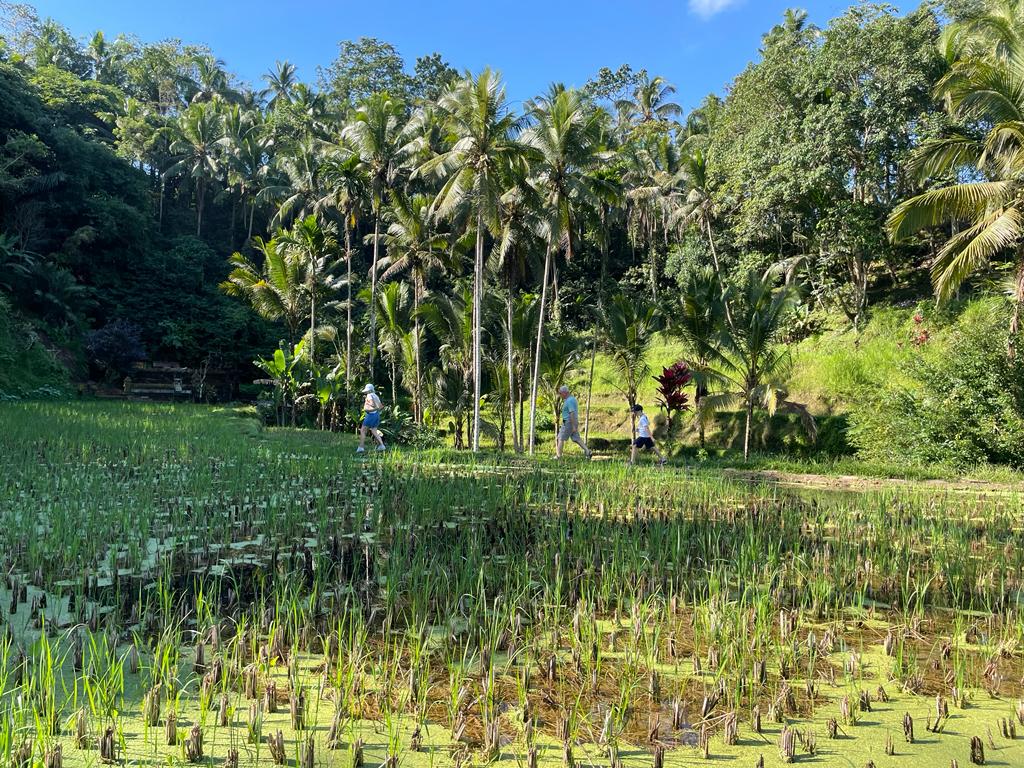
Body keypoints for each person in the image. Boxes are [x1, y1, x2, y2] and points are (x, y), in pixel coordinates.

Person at [556, 385, 591, 459]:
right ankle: (588, 451)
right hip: (571, 421)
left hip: (568, 422)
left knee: (560, 438)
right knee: (576, 438)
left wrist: (573, 426)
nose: (560, 395)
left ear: (565, 392)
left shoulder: (569, 401)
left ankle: (558, 456)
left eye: (560, 393)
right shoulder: (572, 399)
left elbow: (572, 413)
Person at [357, 383, 386, 454]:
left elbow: (373, 404)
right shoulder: (376, 396)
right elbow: (380, 406)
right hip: (376, 415)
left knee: (363, 430)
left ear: (369, 390)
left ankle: (361, 447)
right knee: (374, 430)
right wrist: (376, 408)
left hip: (370, 415)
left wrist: (369, 406)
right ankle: (381, 445)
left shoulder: (369, 395)